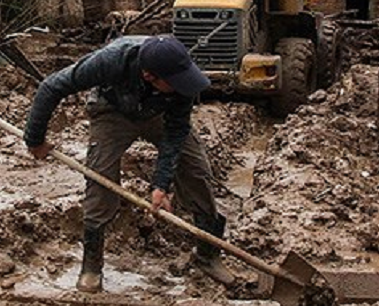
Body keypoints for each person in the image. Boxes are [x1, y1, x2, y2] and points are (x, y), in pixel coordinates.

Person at [23, 34, 235, 292]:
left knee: (196, 170)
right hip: (112, 111)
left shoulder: (181, 78)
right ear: (149, 76)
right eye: (176, 83)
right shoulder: (110, 61)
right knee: (100, 178)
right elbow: (51, 86)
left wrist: (160, 184)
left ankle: (208, 254)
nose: (184, 85)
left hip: (160, 113)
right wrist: (35, 139)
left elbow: (176, 132)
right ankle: (91, 266)